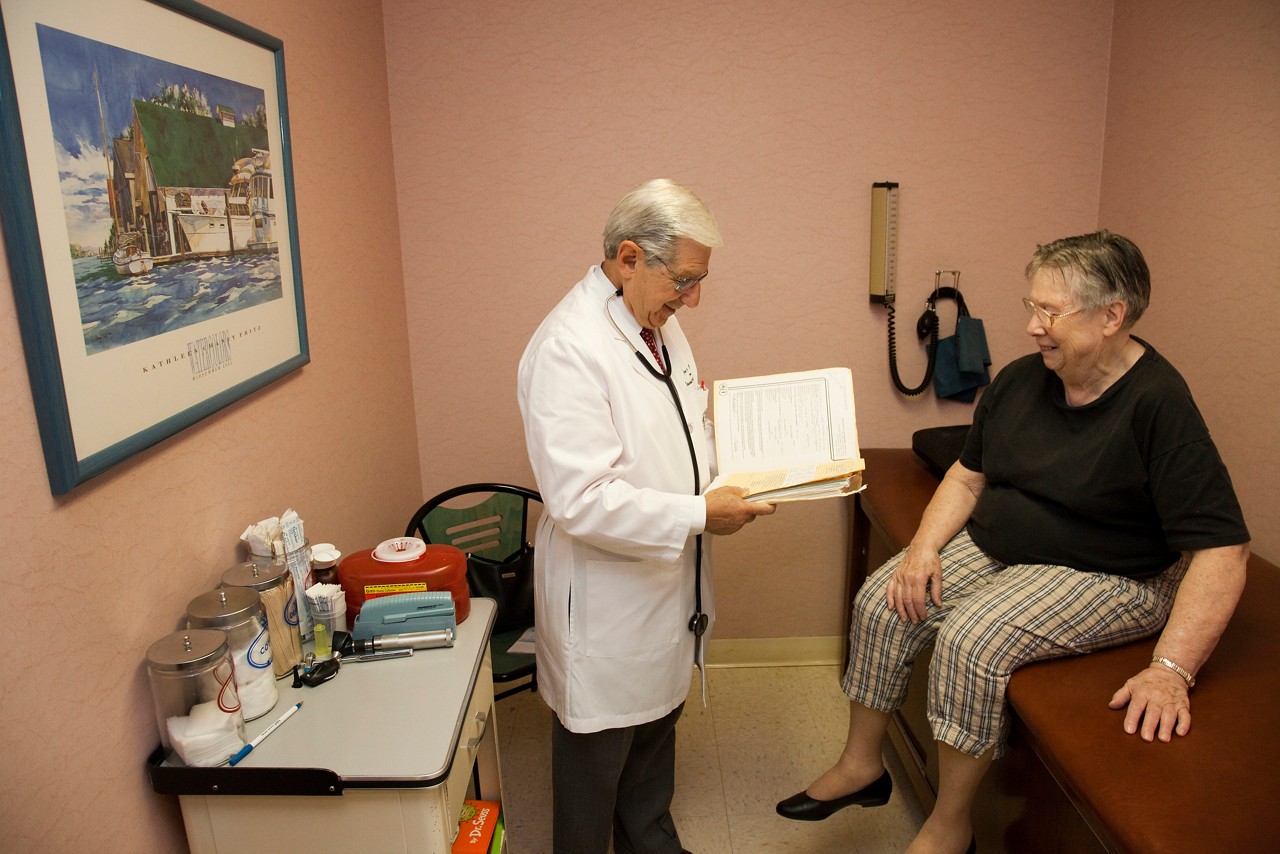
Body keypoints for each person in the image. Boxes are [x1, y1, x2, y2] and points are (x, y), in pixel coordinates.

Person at [776, 230, 1250, 853]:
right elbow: (967, 476)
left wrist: (1170, 670)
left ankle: (950, 828)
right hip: (1005, 545)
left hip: (1110, 571)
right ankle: (863, 767)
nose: (1032, 326)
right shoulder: (1025, 380)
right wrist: (921, 549)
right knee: (882, 600)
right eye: (1031, 307)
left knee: (971, 640)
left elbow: (1223, 549)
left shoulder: (1158, 401)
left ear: (1113, 316)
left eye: (1050, 312)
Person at [518, 178, 776, 854]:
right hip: (609, 599)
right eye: (684, 280)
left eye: (699, 280)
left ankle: (651, 839)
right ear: (629, 258)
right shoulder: (568, 349)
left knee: (657, 731)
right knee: (595, 765)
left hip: (667, 583)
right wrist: (698, 512)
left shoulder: (660, 325)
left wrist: (743, 468)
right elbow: (581, 499)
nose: (694, 298)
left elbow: (690, 427)